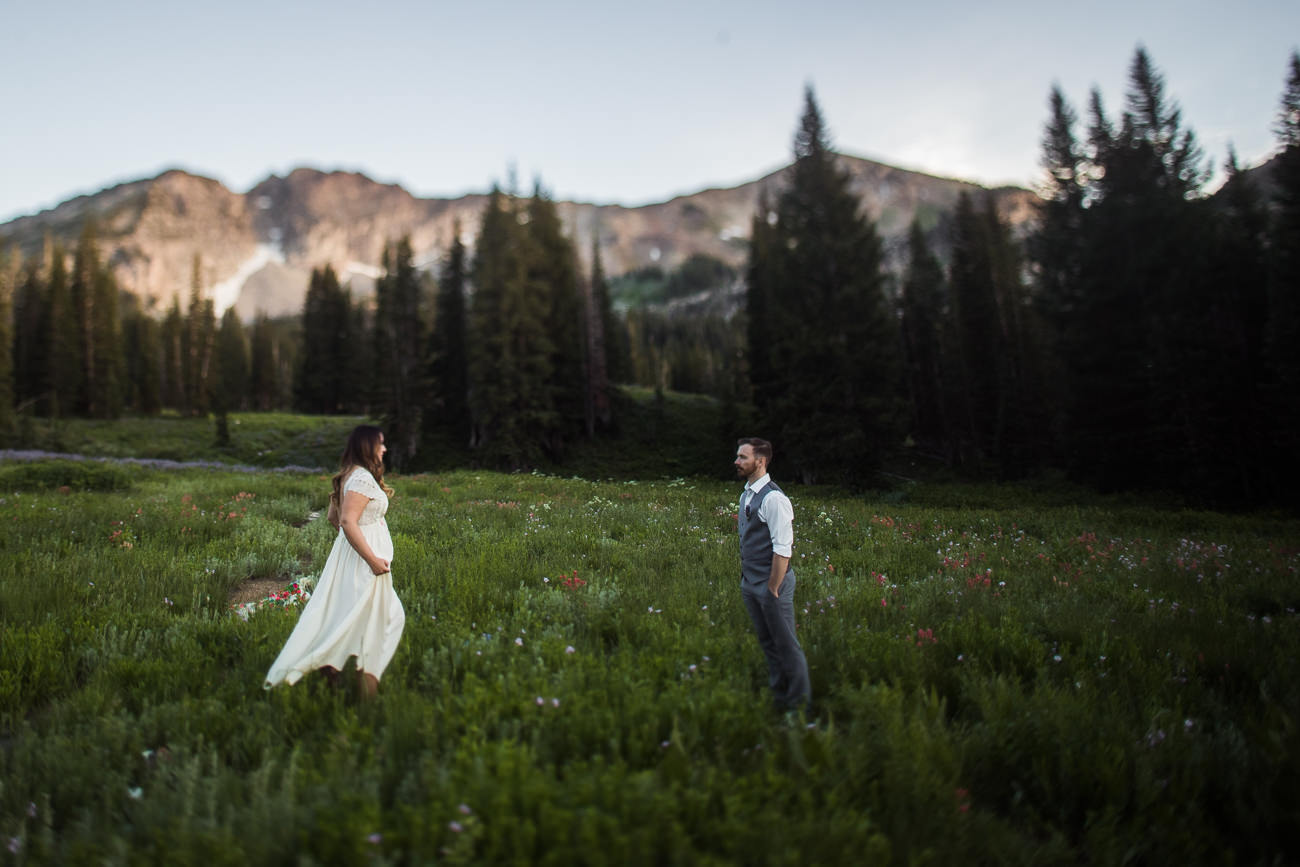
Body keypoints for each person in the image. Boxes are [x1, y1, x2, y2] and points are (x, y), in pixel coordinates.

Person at [264, 425, 405, 698]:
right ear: (368, 446)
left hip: (356, 559)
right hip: (368, 562)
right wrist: (372, 558)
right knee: (384, 622)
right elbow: (346, 521)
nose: (385, 449)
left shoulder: (348, 475)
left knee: (355, 618)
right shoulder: (362, 479)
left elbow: (333, 518)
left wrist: (351, 547)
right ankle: (368, 704)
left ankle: (332, 672)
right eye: (381, 444)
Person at [734, 437, 810, 714]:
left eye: (743, 457)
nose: (737, 461)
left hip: (771, 585)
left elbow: (782, 550)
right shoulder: (747, 494)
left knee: (787, 645)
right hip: (751, 583)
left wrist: (772, 589)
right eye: (738, 456)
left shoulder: (775, 499)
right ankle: (780, 698)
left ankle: (799, 707)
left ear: (761, 461)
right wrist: (748, 583)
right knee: (768, 643)